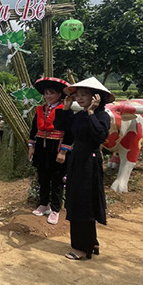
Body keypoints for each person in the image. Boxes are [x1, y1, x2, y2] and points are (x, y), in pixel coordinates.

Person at [53, 77, 112, 260]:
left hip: (89, 162)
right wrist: (66, 108)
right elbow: (61, 128)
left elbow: (100, 136)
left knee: (84, 202)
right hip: (76, 161)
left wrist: (92, 113)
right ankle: (91, 242)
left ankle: (81, 247)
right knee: (77, 199)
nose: (79, 98)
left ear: (96, 97)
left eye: (84, 95)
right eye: (77, 95)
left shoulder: (101, 115)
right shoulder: (78, 116)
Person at [28, 77, 71, 225]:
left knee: (57, 179)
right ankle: (44, 204)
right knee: (43, 177)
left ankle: (55, 209)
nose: (48, 96)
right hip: (42, 147)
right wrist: (31, 147)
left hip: (56, 147)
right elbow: (34, 130)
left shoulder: (65, 110)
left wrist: (63, 151)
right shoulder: (41, 110)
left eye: (51, 93)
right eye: (46, 93)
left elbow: (69, 132)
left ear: (59, 94)